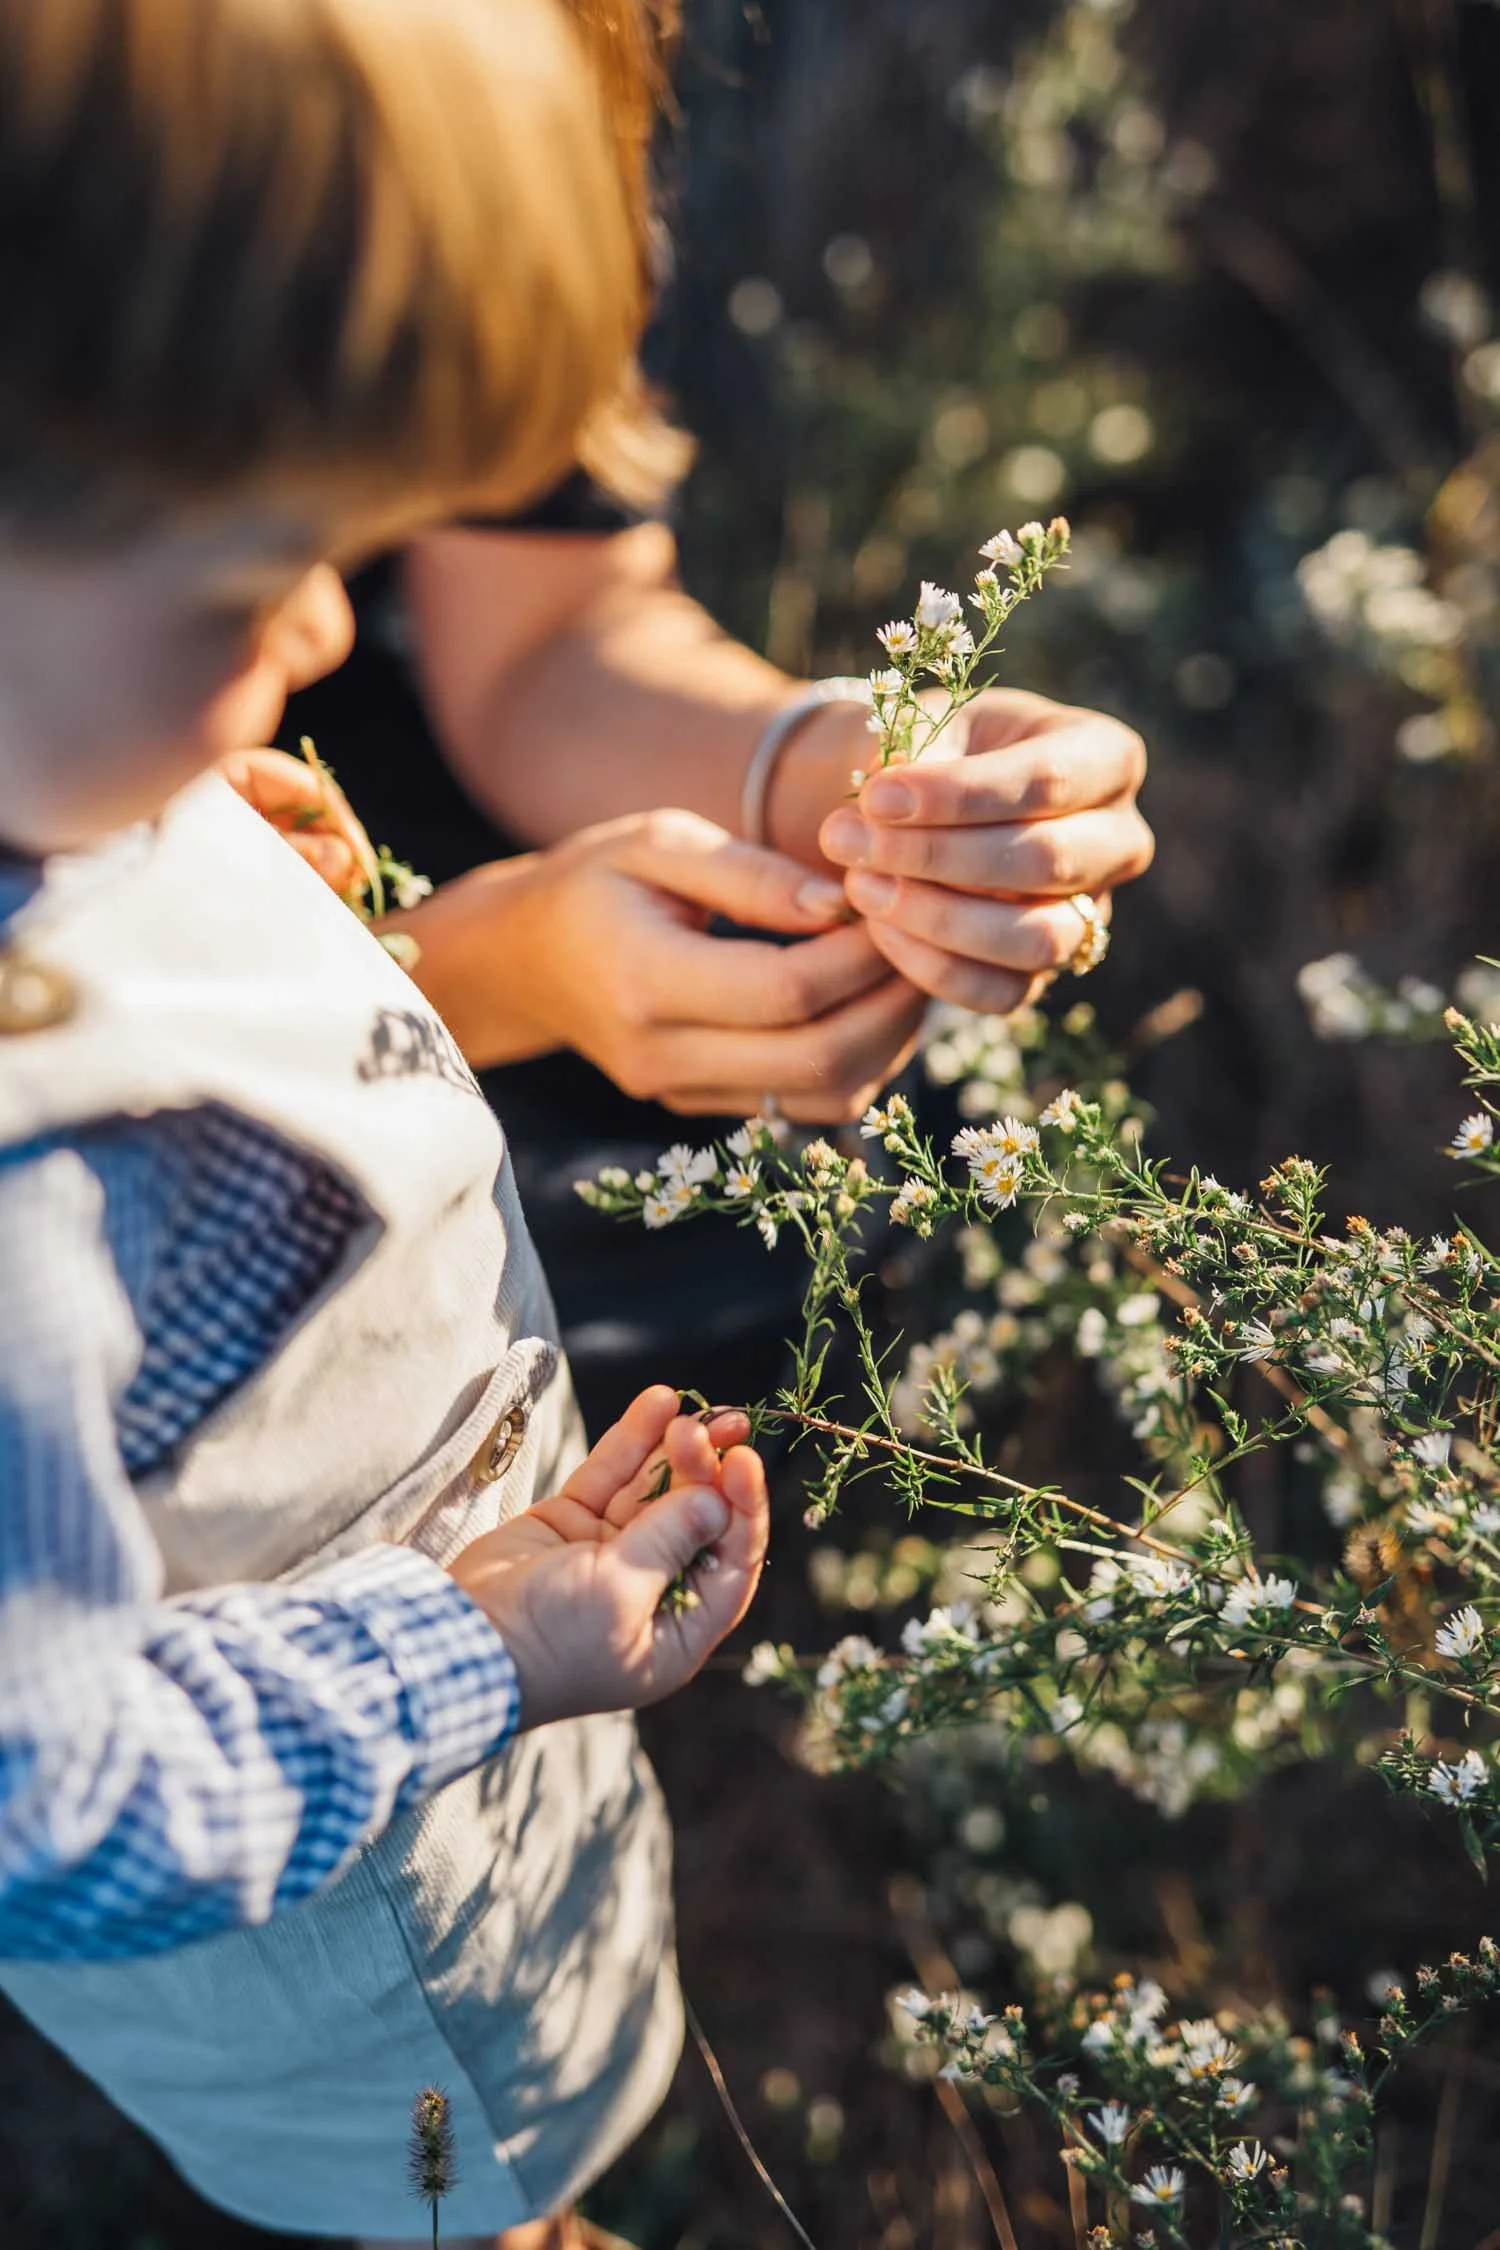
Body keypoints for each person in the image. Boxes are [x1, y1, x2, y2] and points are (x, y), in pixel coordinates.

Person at [0, 1, 770, 2243]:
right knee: (468, 2165)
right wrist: (479, 1646)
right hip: (348, 1913)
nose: (333, 624)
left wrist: (176, 836)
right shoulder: (35, 1192)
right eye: (253, 588)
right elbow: (53, 1804)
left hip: (427, 1685)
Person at [252, 0, 1153, 1429]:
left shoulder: (516, 61)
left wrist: (837, 774)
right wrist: (476, 978)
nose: (321, 610)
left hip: (289, 820)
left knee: (867, 1142)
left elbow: (547, 637)